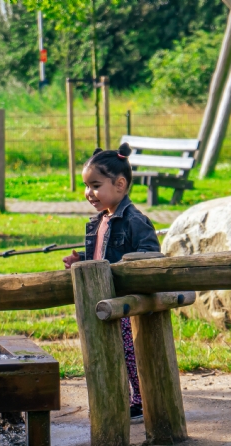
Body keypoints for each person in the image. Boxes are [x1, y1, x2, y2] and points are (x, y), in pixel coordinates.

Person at [63, 143, 160, 422]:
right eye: (86, 186)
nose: (88, 193)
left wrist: (129, 269)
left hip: (126, 301)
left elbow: (150, 254)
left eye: (94, 185)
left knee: (131, 354)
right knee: (108, 352)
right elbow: (102, 255)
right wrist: (80, 259)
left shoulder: (135, 220)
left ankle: (142, 399)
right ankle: (121, 397)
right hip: (104, 298)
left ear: (120, 184)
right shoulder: (100, 221)